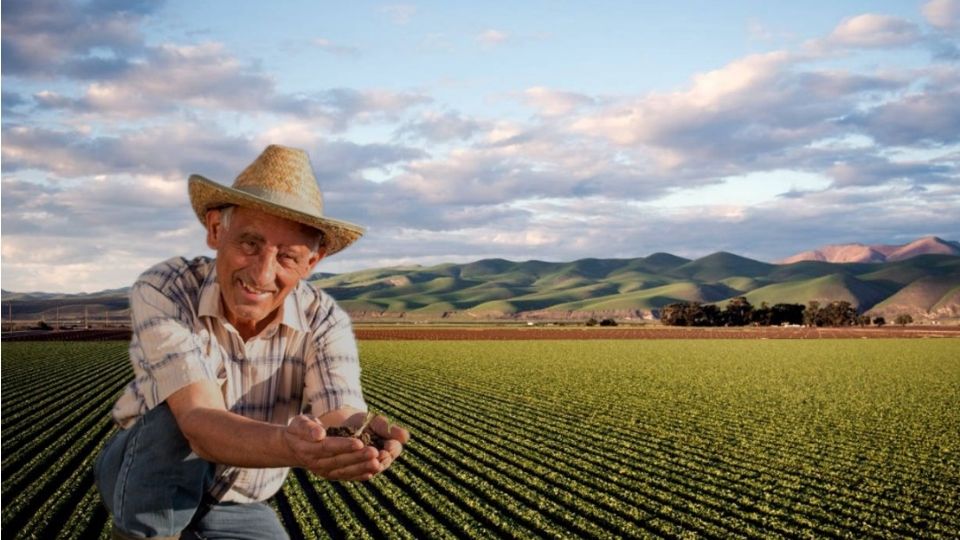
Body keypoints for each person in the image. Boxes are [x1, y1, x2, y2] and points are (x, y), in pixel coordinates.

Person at [94, 144, 409, 540]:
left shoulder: (324, 319)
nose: (262, 275)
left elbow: (338, 408)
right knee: (171, 420)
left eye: (288, 257)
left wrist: (353, 438)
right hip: (142, 477)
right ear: (215, 230)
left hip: (235, 497)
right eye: (250, 244)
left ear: (312, 263)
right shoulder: (168, 289)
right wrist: (292, 446)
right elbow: (196, 421)